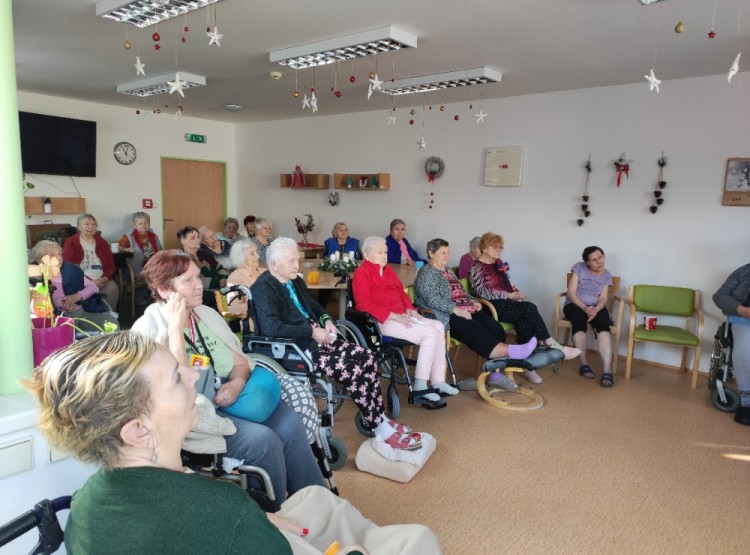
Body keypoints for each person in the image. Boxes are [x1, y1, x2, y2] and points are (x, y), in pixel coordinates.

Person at [24, 332, 441, 554]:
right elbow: (218, 521)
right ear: (137, 430)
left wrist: (259, 521)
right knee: (420, 538)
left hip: (234, 532)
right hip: (237, 535)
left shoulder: (88, 501)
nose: (193, 377)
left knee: (314, 497)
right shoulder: (225, 512)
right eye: (176, 378)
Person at [132, 249, 325, 501]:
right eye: (187, 281)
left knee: (290, 424)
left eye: (198, 277)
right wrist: (175, 328)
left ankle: (317, 501)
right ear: (165, 290)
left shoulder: (207, 315)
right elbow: (177, 388)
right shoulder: (147, 330)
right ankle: (276, 514)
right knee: (264, 441)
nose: (199, 286)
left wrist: (236, 382)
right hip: (196, 411)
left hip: (234, 395)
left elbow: (241, 362)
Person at [252, 238, 423, 450]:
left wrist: (326, 320)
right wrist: (311, 331)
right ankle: (380, 427)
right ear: (274, 264)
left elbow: (312, 305)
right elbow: (271, 327)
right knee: (352, 369)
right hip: (296, 348)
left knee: (367, 357)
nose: (296, 265)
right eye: (291, 261)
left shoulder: (294, 280)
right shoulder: (263, 287)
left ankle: (378, 418)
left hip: (317, 336)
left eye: (297, 259)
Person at [415, 238, 539, 389]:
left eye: (448, 252)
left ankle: (495, 374)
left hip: (465, 308)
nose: (447, 256)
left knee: (495, 328)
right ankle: (510, 351)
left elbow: (461, 292)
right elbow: (432, 299)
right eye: (443, 253)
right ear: (431, 253)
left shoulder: (447, 271)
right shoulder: (426, 273)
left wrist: (473, 300)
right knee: (475, 329)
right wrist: (456, 310)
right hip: (445, 313)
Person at [353, 237, 456, 409]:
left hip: (402, 315)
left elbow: (401, 293)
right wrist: (393, 315)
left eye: (385, 252)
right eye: (380, 252)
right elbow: (363, 304)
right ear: (366, 254)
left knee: (437, 325)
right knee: (429, 333)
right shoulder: (361, 274)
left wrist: (409, 308)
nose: (384, 256)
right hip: (383, 321)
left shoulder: (387, 271)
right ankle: (420, 385)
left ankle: (438, 381)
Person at [469, 232, 581, 380]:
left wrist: (515, 292)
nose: (499, 250)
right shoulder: (477, 267)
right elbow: (482, 292)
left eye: (500, 248)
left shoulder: (497, 264)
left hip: (505, 303)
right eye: (495, 247)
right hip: (490, 307)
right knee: (529, 308)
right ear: (484, 248)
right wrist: (509, 296)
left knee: (525, 318)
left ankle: (526, 365)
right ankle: (551, 344)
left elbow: (506, 285)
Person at [29, 240, 120, 332]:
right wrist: (62, 304)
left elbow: (93, 287)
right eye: (51, 254)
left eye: (60, 254)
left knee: (112, 324)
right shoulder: (36, 276)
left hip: (82, 313)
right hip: (57, 319)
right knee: (65, 333)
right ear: (39, 258)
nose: (59, 258)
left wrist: (76, 296)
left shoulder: (70, 270)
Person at [563, 246, 615, 387]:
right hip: (575, 304)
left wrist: (595, 309)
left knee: (604, 326)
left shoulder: (607, 275)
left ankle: (607, 370)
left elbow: (603, 298)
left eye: (600, 257)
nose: (599, 261)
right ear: (587, 263)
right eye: (594, 259)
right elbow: (571, 293)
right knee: (579, 323)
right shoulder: (579, 268)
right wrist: (585, 308)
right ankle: (583, 363)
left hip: (595, 307)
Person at [713, 262, 750, 425]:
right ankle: (746, 402)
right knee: (744, 351)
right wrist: (744, 311)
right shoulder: (744, 272)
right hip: (743, 320)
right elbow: (719, 296)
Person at [62, 213, 119, 309]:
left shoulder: (102, 242)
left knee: (112, 288)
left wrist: (105, 278)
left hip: (102, 281)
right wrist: (89, 281)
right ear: (79, 226)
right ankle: (91, 315)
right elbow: (69, 268)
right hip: (80, 282)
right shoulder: (71, 242)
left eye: (93, 224)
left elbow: (111, 264)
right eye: (87, 224)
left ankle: (108, 316)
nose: (91, 227)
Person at [226, 239, 266, 317]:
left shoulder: (265, 272)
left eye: (257, 252)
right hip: (255, 321)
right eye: (252, 254)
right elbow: (234, 308)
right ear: (241, 257)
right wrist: (258, 306)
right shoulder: (234, 278)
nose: (257, 256)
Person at [117, 211, 163, 279]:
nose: (143, 226)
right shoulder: (129, 235)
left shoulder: (153, 236)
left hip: (153, 268)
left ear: (149, 224)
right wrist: (126, 249)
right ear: (135, 225)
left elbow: (160, 251)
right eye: (140, 224)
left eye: (145, 223)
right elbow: (118, 247)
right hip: (136, 268)